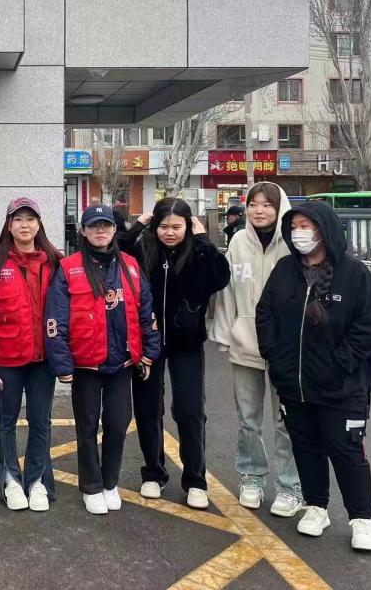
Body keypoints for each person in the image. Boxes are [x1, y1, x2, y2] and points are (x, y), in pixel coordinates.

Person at [256, 200, 371, 552]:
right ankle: (316, 507)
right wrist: (274, 355)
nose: (299, 233)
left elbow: (368, 329)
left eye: (305, 226)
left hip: (343, 387)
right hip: (294, 385)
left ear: (324, 230)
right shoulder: (285, 269)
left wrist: (337, 364)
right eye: (294, 227)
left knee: (346, 450)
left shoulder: (354, 274)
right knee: (306, 446)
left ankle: (362, 519)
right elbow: (265, 313)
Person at [45, 204, 159, 515]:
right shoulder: (68, 267)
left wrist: (149, 353)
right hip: (85, 364)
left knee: (118, 424)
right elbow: (55, 318)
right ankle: (92, 486)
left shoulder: (131, 266)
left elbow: (146, 311)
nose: (100, 231)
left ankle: (110, 482)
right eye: (93, 226)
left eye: (106, 225)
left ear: (114, 230)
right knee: (86, 426)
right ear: (83, 231)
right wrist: (62, 362)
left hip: (122, 362)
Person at [127, 198, 230, 510]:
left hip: (187, 344)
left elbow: (220, 277)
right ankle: (153, 473)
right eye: (163, 226)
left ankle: (196, 480)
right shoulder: (144, 250)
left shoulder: (198, 252)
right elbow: (116, 250)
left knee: (189, 411)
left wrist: (203, 240)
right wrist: (138, 226)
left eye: (176, 226)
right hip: (148, 344)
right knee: (148, 409)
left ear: (188, 226)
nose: (169, 232)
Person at [210, 182, 303, 517]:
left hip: (286, 348)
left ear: (280, 208)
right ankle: (251, 477)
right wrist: (225, 332)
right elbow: (227, 293)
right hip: (245, 342)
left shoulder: (292, 244)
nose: (258, 210)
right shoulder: (238, 242)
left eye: (267, 204)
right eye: (253, 204)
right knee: (248, 420)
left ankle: (291, 487)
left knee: (286, 420)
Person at [0, 197, 62, 512]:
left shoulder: (55, 262)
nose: (24, 225)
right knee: (6, 420)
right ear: (9, 225)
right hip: (7, 358)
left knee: (41, 420)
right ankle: (10, 481)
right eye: (17, 219)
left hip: (44, 359)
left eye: (30, 219)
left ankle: (37, 480)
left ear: (39, 224)